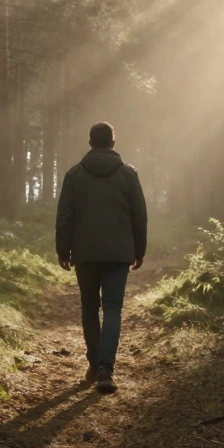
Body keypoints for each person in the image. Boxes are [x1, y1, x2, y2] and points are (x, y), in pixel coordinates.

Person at [55, 121, 148, 394]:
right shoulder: (128, 175)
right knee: (113, 309)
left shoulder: (74, 175)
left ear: (90, 143)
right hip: (119, 253)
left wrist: (63, 249)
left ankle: (95, 365)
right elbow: (139, 217)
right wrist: (138, 250)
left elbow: (65, 217)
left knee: (89, 308)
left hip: (85, 254)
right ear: (113, 143)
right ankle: (106, 370)